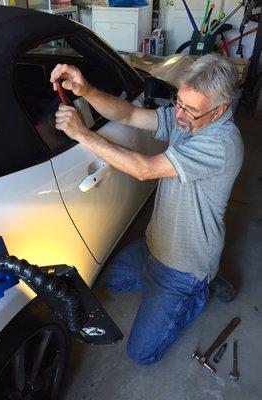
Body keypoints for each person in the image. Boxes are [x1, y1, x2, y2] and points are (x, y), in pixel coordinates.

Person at [50, 54, 244, 366]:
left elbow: (144, 169)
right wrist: (85, 90)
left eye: (190, 109)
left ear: (219, 110)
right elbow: (128, 115)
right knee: (100, 281)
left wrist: (83, 133)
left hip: (184, 267)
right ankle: (178, 283)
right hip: (154, 248)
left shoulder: (221, 143)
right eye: (178, 101)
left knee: (141, 354)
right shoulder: (188, 118)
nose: (178, 114)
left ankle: (199, 288)